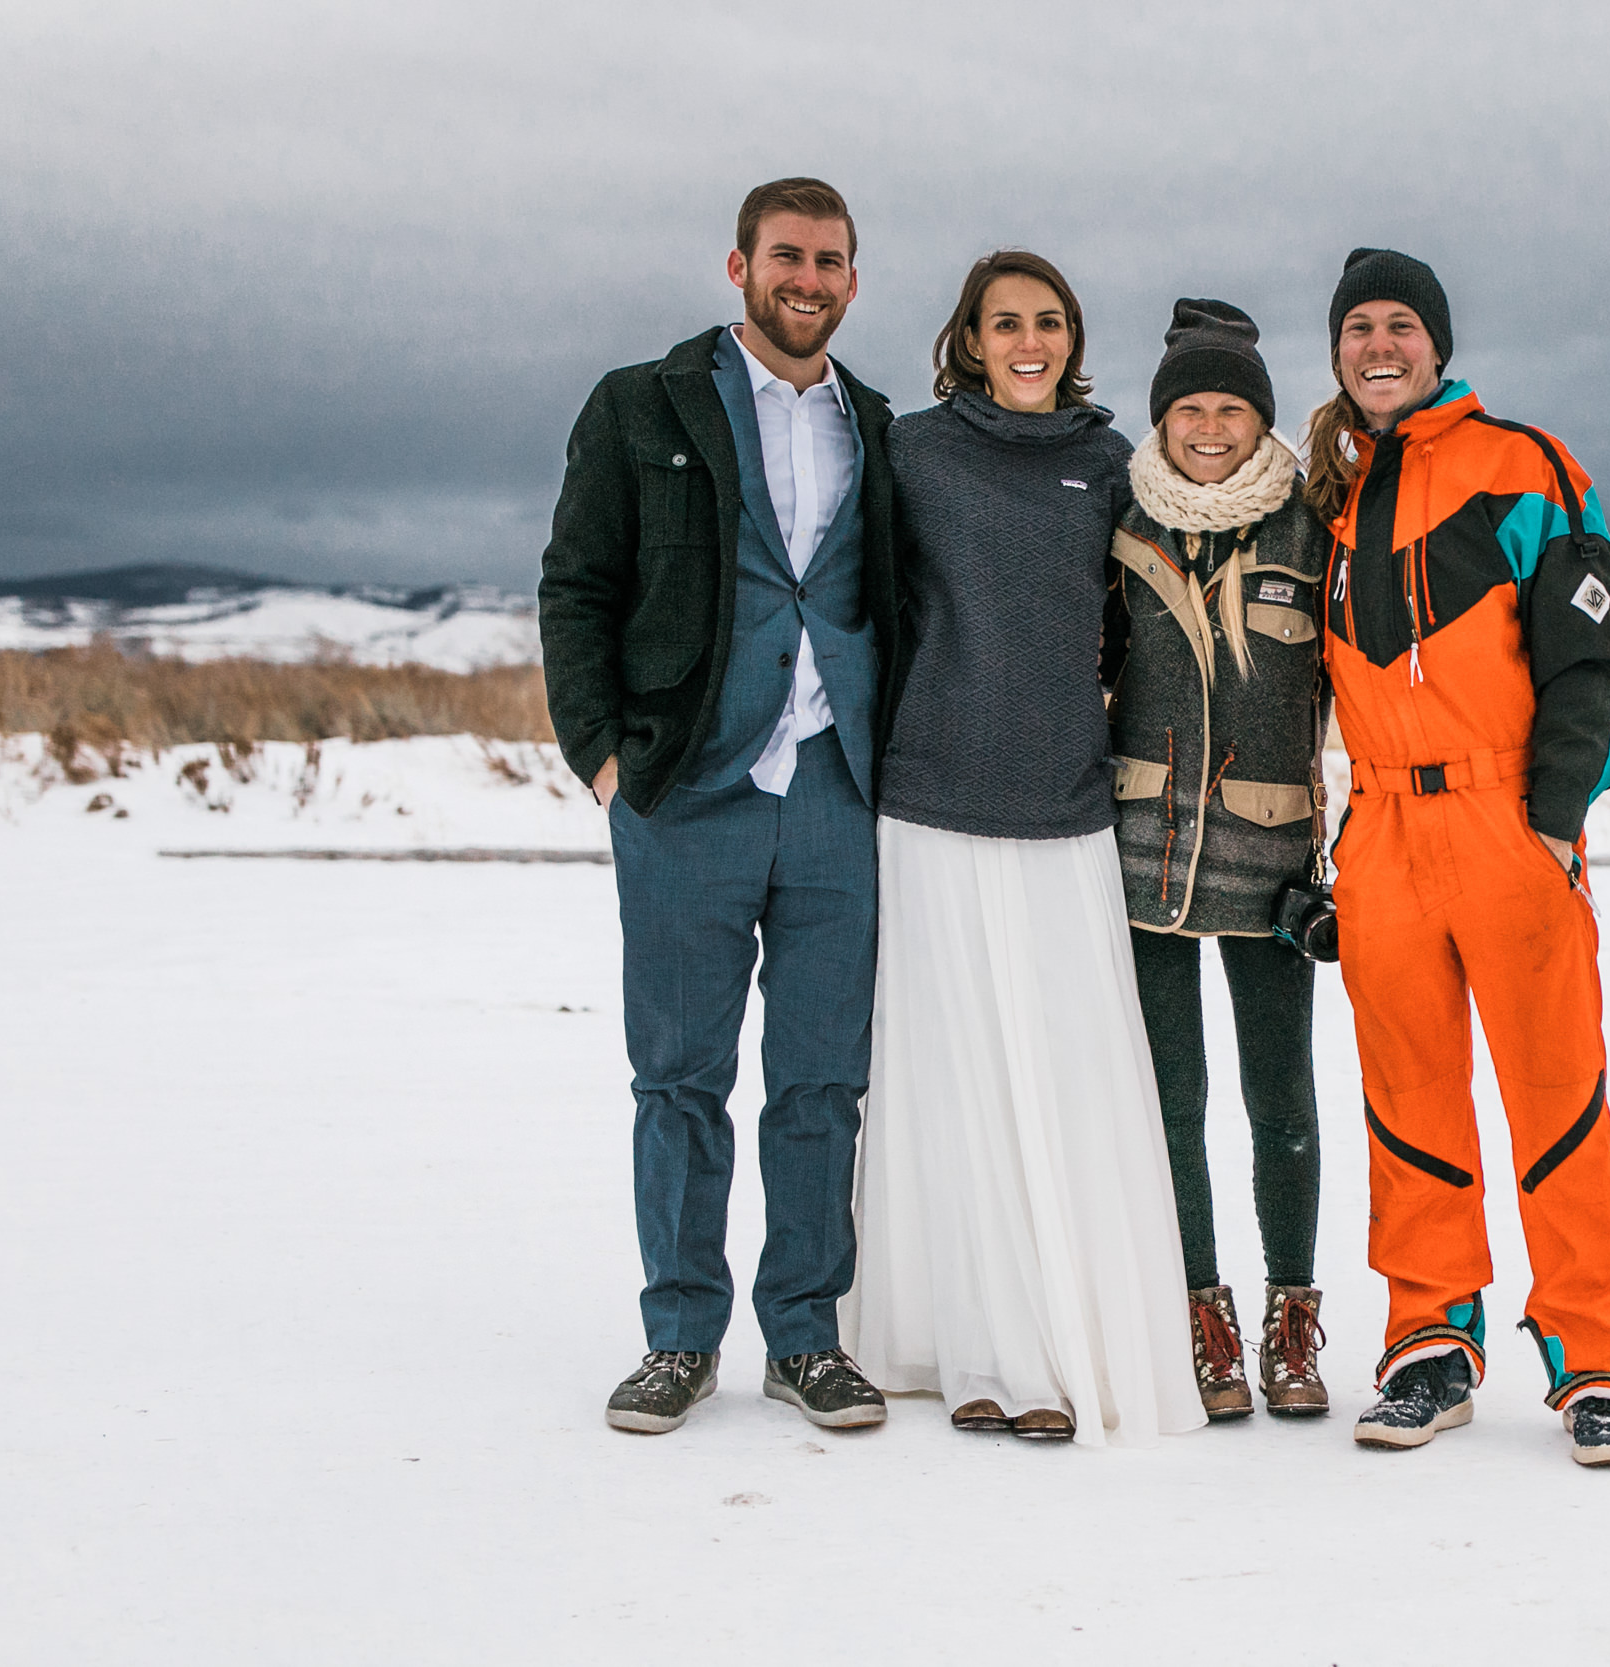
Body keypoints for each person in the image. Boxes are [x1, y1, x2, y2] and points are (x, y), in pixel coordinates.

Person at [539, 177, 895, 1436]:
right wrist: (600, 751)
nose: (809, 278)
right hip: (688, 788)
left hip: (839, 792)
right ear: (738, 266)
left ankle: (806, 1336)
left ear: (854, 279)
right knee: (678, 1078)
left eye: (831, 260)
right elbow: (577, 581)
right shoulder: (644, 403)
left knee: (821, 1085)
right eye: (786, 256)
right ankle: (679, 1334)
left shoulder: (881, 424)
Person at [839, 250, 1204, 1447]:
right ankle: (972, 1351)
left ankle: (1059, 1341)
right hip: (929, 793)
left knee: (1066, 1072)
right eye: (1006, 323)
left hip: (1063, 802)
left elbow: (1151, 612)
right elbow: (859, 600)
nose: (1029, 340)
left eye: (1048, 321)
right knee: (951, 1077)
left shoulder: (1110, 463)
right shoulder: (913, 451)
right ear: (970, 338)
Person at [1306, 247, 1610, 1463]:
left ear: (1438, 347)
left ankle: (1596, 1355)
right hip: (1383, 836)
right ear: (1338, 352)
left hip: (1506, 822)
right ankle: (1428, 1345)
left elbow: (1593, 666)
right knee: (1407, 1099)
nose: (1380, 345)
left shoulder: (1528, 465)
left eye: (1402, 323)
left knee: (1554, 1092)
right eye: (1358, 327)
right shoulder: (1332, 496)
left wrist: (1554, 818)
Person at [1105, 299, 1331, 1420]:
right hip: (1141, 855)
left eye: (1229, 408)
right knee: (1172, 1101)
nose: (1207, 426)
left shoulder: (1308, 526)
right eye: (1188, 407)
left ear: (1259, 419)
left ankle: (1294, 1313)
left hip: (1274, 861)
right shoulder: (1118, 521)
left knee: (1280, 1097)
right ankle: (1202, 1310)